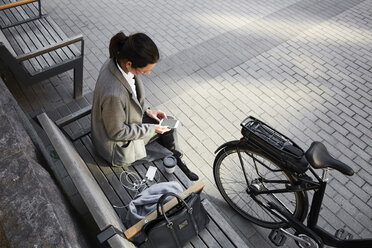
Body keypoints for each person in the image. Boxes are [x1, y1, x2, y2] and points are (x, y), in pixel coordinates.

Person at [91, 31, 198, 181]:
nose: (148, 73)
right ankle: (175, 164)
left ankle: (176, 160)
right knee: (165, 132)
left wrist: (148, 110)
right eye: (145, 70)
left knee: (167, 125)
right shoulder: (114, 94)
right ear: (129, 64)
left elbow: (132, 97)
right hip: (117, 148)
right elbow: (116, 133)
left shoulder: (117, 63)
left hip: (124, 125)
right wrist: (152, 129)